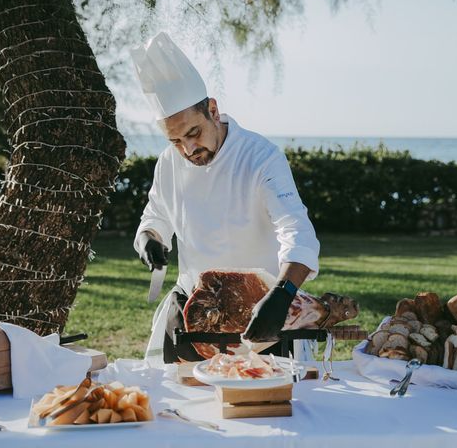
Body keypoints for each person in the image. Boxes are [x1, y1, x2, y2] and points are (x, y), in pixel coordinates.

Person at [130, 32, 320, 367]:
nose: (188, 150)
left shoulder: (262, 157)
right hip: (192, 311)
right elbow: (155, 216)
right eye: (175, 140)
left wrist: (282, 295)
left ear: (213, 111)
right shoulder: (168, 163)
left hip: (262, 313)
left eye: (193, 133)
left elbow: (297, 230)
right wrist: (149, 238)